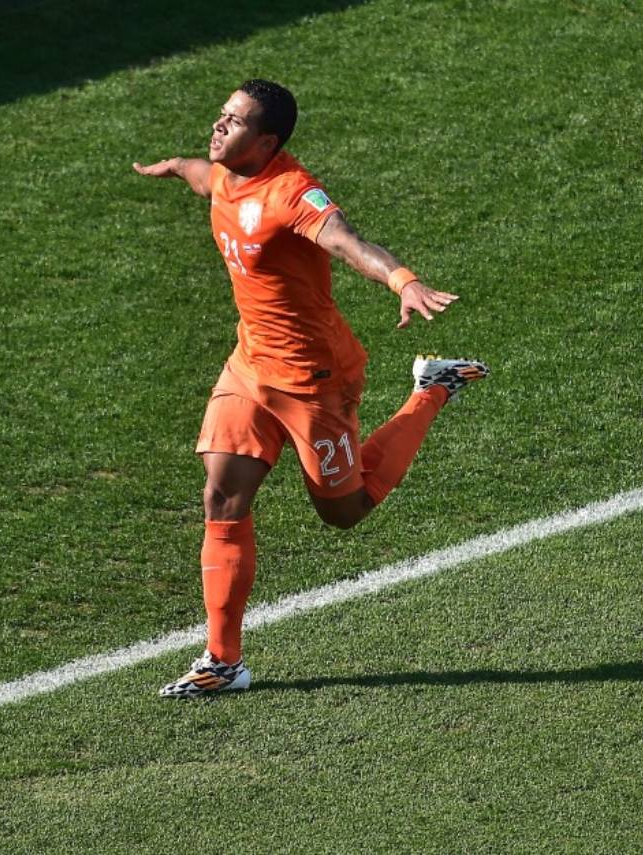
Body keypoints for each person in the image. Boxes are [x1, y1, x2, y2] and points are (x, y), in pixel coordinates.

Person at [133, 79, 488, 698]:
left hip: (314, 378)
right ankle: (223, 660)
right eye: (221, 116)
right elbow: (202, 175)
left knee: (342, 512)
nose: (218, 127)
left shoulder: (292, 193)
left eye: (234, 122)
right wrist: (174, 167)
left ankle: (432, 389)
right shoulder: (222, 174)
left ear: (266, 141)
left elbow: (348, 243)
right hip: (249, 365)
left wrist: (402, 279)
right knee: (222, 495)